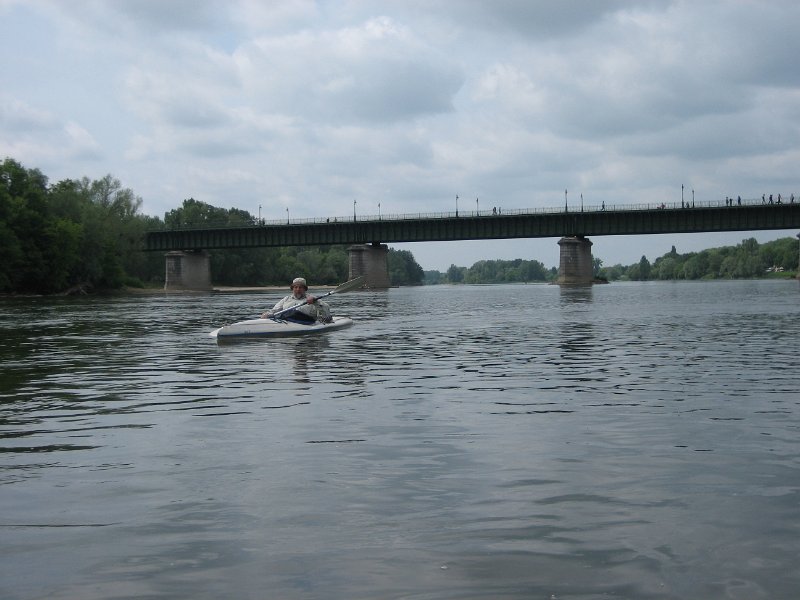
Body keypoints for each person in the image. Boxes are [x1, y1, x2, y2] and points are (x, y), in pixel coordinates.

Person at [261, 277, 331, 323]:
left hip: (306, 322)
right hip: (287, 322)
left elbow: (326, 311)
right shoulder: (286, 299)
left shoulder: (313, 299)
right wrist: (267, 314)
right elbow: (275, 310)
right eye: (295, 287)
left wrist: (316, 302)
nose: (298, 289)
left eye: (300, 287)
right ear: (292, 288)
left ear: (304, 289)